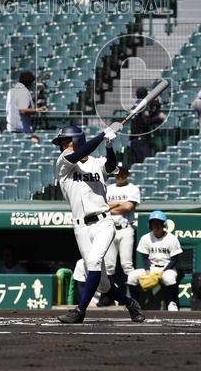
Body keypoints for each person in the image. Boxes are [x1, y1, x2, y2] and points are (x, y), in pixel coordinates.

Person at [51, 124, 145, 323]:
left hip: (104, 223)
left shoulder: (96, 162)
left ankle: (80, 311)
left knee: (94, 262)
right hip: (81, 228)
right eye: (62, 143)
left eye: (66, 141)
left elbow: (110, 166)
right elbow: (79, 154)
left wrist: (109, 146)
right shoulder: (63, 162)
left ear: (77, 140)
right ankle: (130, 303)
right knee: (103, 284)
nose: (63, 146)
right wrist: (103, 135)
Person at [99, 165, 141, 305]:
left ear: (127, 174)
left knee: (127, 264)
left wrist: (111, 206)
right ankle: (107, 298)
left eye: (123, 173)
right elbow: (102, 207)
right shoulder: (109, 188)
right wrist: (118, 204)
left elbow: (128, 207)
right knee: (109, 265)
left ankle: (134, 298)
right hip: (109, 228)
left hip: (125, 228)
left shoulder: (133, 188)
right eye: (117, 173)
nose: (120, 175)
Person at [126, 211, 183, 311]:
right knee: (132, 276)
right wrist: (148, 271)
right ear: (150, 224)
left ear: (163, 224)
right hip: (151, 268)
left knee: (169, 278)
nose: (156, 225)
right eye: (154, 223)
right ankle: (134, 303)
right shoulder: (145, 238)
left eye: (159, 223)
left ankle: (172, 302)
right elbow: (145, 258)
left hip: (167, 268)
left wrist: (163, 272)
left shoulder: (172, 239)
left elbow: (174, 259)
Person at [127, 86, 164, 164]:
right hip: (141, 140)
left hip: (133, 139)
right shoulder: (143, 106)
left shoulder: (134, 106)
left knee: (137, 164)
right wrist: (159, 118)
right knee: (146, 163)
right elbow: (146, 122)